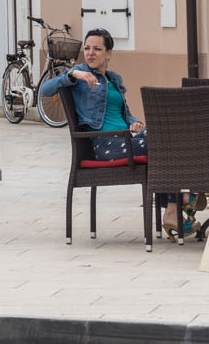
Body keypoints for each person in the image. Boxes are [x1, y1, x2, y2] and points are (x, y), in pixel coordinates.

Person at [42, 28, 179, 234]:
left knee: (165, 132)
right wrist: (72, 73)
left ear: (109, 53)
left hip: (126, 139)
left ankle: (175, 206)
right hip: (106, 145)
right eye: (87, 48)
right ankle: (179, 201)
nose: (90, 53)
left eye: (97, 48)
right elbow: (45, 90)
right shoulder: (80, 76)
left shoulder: (114, 79)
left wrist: (135, 123)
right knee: (160, 142)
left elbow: (125, 114)